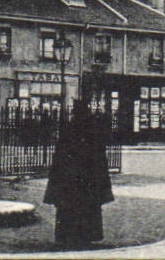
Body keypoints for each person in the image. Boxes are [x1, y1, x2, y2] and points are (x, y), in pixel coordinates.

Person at [44, 100, 114, 247]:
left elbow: (60, 158)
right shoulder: (92, 132)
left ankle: (67, 235)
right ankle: (86, 235)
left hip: (69, 180)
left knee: (68, 208)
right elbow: (99, 159)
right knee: (87, 208)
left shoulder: (69, 130)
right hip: (88, 181)